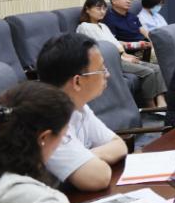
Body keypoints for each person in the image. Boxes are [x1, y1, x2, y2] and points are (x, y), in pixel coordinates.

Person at [36, 33, 128, 191]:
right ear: (77, 81)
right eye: (101, 69)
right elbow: (97, 178)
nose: (107, 74)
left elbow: (119, 145)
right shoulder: (46, 119)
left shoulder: (78, 106)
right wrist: (87, 161)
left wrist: (84, 156)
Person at [77, 0, 167, 108]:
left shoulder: (103, 26)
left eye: (104, 8)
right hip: (110, 61)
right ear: (87, 9)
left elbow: (115, 43)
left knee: (157, 69)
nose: (102, 12)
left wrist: (126, 55)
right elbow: (103, 48)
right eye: (98, 8)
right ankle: (150, 106)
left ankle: (161, 101)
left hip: (121, 57)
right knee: (148, 72)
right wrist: (124, 57)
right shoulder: (85, 27)